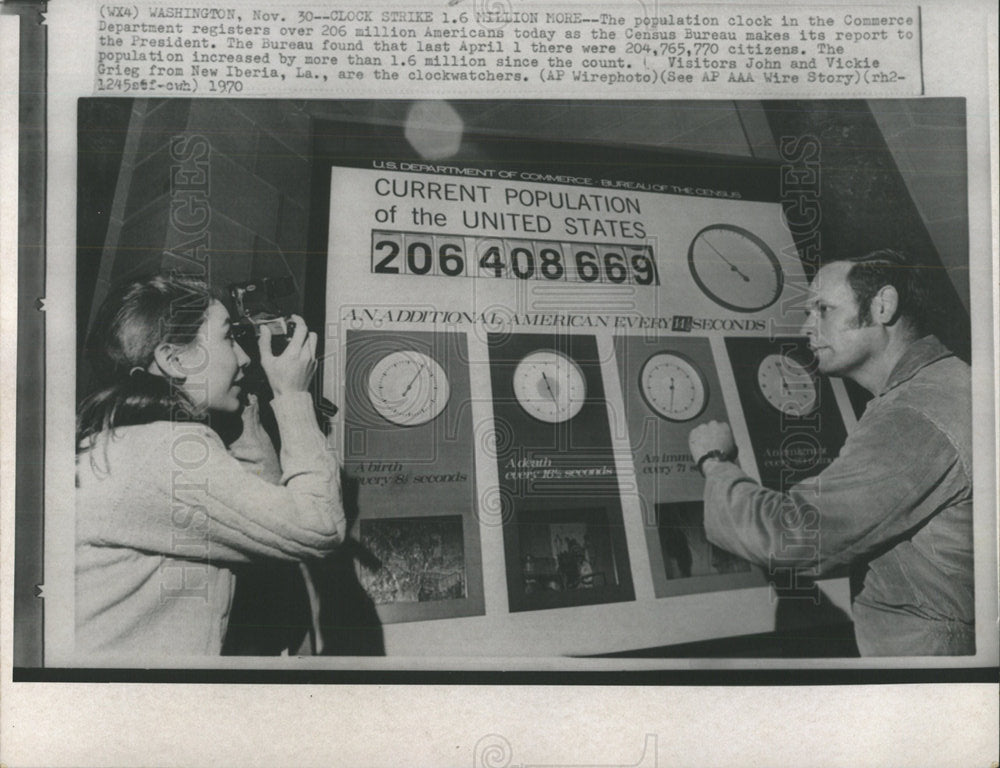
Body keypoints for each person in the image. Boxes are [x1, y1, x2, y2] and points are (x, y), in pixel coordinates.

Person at [688, 249, 974, 656]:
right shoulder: (948, 382)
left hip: (925, 665)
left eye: (822, 309)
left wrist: (714, 463)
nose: (807, 328)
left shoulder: (914, 415)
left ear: (882, 306)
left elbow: (793, 536)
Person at [75, 274, 345, 656]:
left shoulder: (129, 441)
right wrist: (293, 396)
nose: (245, 356)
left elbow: (270, 515)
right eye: (228, 338)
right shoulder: (165, 453)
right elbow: (319, 527)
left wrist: (241, 402)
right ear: (174, 359)